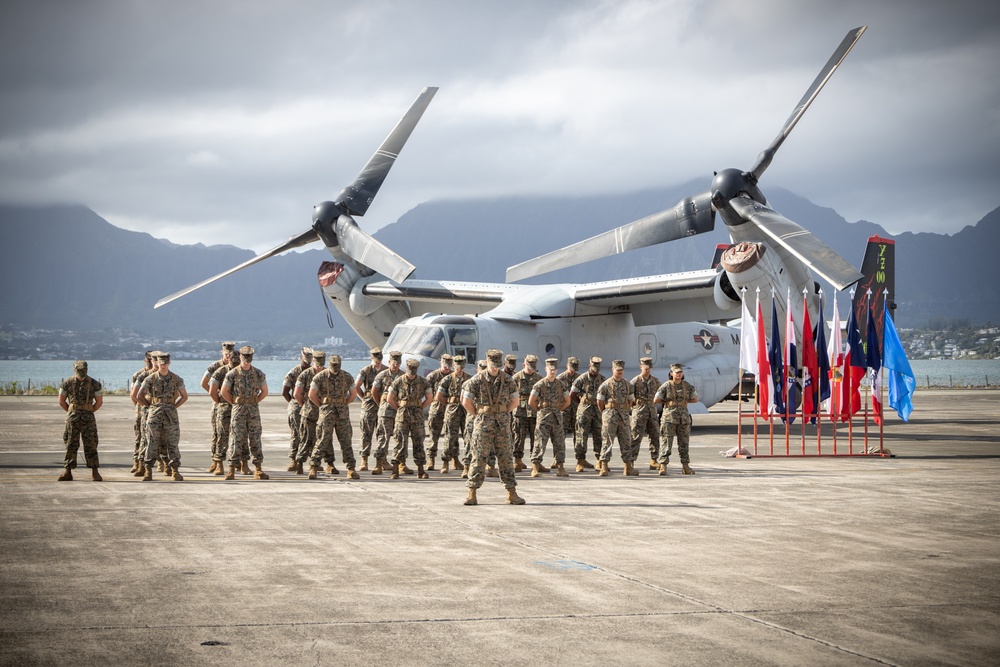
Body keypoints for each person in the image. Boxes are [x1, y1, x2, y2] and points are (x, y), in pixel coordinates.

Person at [460, 349, 525, 506]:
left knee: (506, 458)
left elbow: (515, 401)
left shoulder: (508, 381)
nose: (495, 368)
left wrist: (502, 412)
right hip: (483, 423)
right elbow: (466, 401)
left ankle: (511, 493)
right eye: (492, 365)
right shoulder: (476, 380)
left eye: (498, 365)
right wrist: (478, 414)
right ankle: (472, 492)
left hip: (502, 424)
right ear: (487, 362)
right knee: (478, 457)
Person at [137, 352, 188, 481]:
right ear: (157, 363)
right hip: (154, 414)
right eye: (161, 363)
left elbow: (184, 396)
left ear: (169, 363)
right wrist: (151, 406)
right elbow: (139, 395)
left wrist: (173, 406)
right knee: (151, 442)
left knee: (172, 443)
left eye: (165, 363)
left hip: (170, 415)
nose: (163, 366)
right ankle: (148, 470)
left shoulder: (177, 379)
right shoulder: (151, 378)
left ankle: (175, 470)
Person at [221, 346, 269, 480]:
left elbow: (265, 391)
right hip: (238, 409)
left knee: (255, 439)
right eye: (245, 358)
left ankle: (258, 469)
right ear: (240, 357)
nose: (247, 361)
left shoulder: (258, 374)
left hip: (253, 410)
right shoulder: (232, 374)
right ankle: (231, 469)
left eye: (249, 358)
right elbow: (224, 391)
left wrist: (254, 401)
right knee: (236, 439)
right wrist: (235, 402)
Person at [308, 354, 359, 479]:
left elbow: (353, 393)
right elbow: (312, 394)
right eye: (333, 366)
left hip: (342, 414)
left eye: (337, 366)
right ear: (329, 365)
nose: (335, 368)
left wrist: (344, 403)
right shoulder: (320, 377)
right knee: (322, 440)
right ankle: (314, 467)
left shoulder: (347, 377)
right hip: (327, 413)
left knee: (346, 441)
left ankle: (351, 468)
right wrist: (322, 405)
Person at [57, 360, 103, 481]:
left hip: (84, 416)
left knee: (91, 444)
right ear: (75, 370)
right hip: (75, 417)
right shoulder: (66, 383)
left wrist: (87, 410)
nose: (81, 373)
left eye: (83, 371)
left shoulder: (95, 384)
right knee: (71, 443)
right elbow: (61, 401)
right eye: (80, 371)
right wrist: (72, 410)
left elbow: (99, 402)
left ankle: (94, 471)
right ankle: (68, 471)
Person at [388, 358, 433, 479]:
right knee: (400, 442)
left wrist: (420, 407)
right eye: (409, 370)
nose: (411, 373)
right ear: (406, 369)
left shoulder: (423, 382)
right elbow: (390, 398)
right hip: (402, 415)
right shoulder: (398, 381)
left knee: (418, 442)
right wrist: (399, 408)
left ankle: (421, 470)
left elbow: (429, 397)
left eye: (413, 371)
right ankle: (395, 470)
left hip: (417, 416)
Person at [528, 358, 570, 477]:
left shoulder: (561, 385)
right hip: (543, 416)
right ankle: (535, 467)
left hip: (556, 417)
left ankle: (560, 467)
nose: (552, 372)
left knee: (559, 443)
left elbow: (567, 401)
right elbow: (531, 401)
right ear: (546, 369)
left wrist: (558, 409)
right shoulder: (540, 384)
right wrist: (540, 411)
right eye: (550, 369)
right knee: (540, 442)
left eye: (554, 370)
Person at [654, 363, 698, 475]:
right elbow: (656, 399)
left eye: (680, 372)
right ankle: (663, 465)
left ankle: (685, 466)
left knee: (684, 443)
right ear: (671, 373)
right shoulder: (666, 386)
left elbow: (695, 399)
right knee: (666, 442)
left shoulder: (687, 386)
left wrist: (683, 402)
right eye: (676, 372)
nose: (678, 374)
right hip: (669, 418)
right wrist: (668, 402)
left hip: (683, 419)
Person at [597, 359, 635, 476]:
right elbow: (600, 402)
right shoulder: (605, 385)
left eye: (621, 370)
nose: (619, 372)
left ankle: (628, 467)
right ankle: (604, 466)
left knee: (626, 441)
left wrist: (624, 409)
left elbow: (631, 400)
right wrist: (606, 413)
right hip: (610, 415)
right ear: (612, 369)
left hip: (623, 416)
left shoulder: (628, 385)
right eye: (617, 370)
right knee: (607, 441)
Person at [201, 342, 235, 474]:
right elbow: (204, 383)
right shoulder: (215, 366)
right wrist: (217, 397)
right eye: (226, 354)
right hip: (219, 404)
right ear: (222, 352)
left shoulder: (236, 365)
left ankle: (238, 462)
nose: (228, 356)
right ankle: (215, 461)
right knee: (218, 434)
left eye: (230, 354)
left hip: (234, 404)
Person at [208, 349, 243, 475]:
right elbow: (211, 390)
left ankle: (241, 463)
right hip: (224, 407)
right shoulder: (220, 371)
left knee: (240, 436)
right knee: (222, 436)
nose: (234, 362)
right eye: (232, 359)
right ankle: (219, 464)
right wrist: (220, 402)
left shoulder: (243, 372)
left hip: (240, 407)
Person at [435, 355, 470, 474]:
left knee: (468, 437)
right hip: (452, 410)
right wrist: (450, 403)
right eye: (457, 367)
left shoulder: (469, 379)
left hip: (465, 410)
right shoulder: (447, 379)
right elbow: (439, 396)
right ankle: (445, 463)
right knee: (450, 437)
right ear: (453, 366)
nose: (459, 370)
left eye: (461, 367)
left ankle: (467, 464)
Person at [370, 351, 404, 475]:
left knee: (400, 438)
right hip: (385, 411)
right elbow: (374, 391)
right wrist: (381, 404)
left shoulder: (403, 376)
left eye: (398, 363)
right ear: (389, 362)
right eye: (393, 363)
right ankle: (380, 463)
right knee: (383, 438)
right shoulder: (382, 375)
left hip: (399, 411)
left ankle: (400, 463)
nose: (395, 366)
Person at [293, 350, 326, 474]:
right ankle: (300, 463)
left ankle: (318, 463)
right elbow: (296, 394)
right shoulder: (305, 374)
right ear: (313, 361)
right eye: (318, 363)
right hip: (310, 412)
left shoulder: (326, 373)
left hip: (323, 413)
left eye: (321, 364)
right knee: (306, 439)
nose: (319, 366)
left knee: (322, 439)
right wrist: (305, 405)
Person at [282, 347, 313, 471]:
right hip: (297, 406)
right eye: (305, 361)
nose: (307, 363)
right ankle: (294, 460)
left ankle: (313, 460)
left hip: (311, 406)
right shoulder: (294, 372)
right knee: (296, 433)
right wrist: (294, 404)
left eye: (309, 361)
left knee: (312, 433)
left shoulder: (315, 371)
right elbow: (285, 392)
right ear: (301, 358)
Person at [571, 356, 605, 471]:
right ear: (589, 366)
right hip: (584, 411)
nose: (596, 369)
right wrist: (582, 402)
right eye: (594, 366)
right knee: (581, 435)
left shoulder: (602, 379)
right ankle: (580, 461)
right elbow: (572, 394)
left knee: (599, 435)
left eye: (597, 367)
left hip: (597, 411)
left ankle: (599, 460)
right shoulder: (582, 379)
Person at [353, 346, 385, 471]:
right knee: (366, 433)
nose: (378, 362)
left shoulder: (385, 371)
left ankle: (382, 460)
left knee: (382, 433)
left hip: (382, 405)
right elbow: (357, 386)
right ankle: (364, 460)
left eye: (379, 360)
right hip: (369, 405)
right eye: (376, 359)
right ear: (371, 358)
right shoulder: (365, 371)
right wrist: (364, 397)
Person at [630, 357, 662, 470]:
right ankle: (631, 461)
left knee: (654, 435)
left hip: (652, 412)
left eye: (649, 368)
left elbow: (661, 393)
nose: (647, 370)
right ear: (641, 367)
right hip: (639, 412)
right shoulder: (635, 382)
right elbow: (629, 397)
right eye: (645, 368)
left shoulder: (655, 381)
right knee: (636, 437)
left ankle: (654, 460)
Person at [511, 354, 541, 472]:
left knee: (536, 437)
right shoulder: (516, 378)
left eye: (533, 367)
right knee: (519, 437)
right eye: (529, 367)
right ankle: (518, 461)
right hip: (520, 411)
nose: (531, 370)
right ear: (524, 365)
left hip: (534, 411)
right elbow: (509, 395)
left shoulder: (538, 378)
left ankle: (536, 462)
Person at [424, 354, 453, 471]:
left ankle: (451, 460)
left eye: (449, 366)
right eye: (445, 365)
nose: (447, 368)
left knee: (450, 436)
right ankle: (431, 459)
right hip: (436, 409)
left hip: (450, 410)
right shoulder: (433, 376)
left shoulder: (453, 376)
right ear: (441, 363)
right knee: (434, 435)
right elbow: (425, 392)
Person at [128, 351, 153, 474]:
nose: (150, 362)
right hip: (141, 408)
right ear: (145, 361)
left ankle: (161, 462)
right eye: (149, 360)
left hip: (154, 408)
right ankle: (137, 462)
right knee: (140, 436)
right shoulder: (139, 375)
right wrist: (141, 407)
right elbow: (133, 395)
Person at [555, 356, 580, 468]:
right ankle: (557, 459)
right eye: (571, 367)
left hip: (576, 410)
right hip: (564, 410)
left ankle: (580, 460)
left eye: (575, 367)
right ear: (567, 366)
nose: (573, 370)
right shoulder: (560, 379)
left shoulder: (580, 378)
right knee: (560, 435)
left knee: (578, 435)